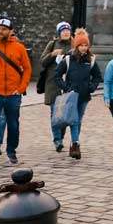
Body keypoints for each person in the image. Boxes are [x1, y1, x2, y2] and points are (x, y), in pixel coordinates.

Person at [0, 17, 32, 171]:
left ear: (11, 31)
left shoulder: (19, 48)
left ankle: (11, 151)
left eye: (4, 28)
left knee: (13, 124)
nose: (0, 31)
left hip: (13, 93)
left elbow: (27, 69)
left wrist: (21, 88)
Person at [54, 29, 102, 160]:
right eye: (81, 45)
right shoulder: (68, 59)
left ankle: (73, 144)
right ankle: (76, 144)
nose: (84, 48)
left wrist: (91, 88)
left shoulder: (91, 60)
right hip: (71, 96)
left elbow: (97, 76)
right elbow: (57, 75)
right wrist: (67, 88)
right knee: (74, 120)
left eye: (86, 45)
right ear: (76, 46)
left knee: (78, 121)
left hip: (84, 96)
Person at [41, 22, 74, 151]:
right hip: (53, 84)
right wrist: (52, 54)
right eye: (63, 30)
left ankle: (61, 135)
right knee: (55, 113)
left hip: (69, 84)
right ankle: (57, 140)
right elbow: (43, 62)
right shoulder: (52, 44)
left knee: (65, 116)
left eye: (67, 30)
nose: (66, 32)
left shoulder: (75, 44)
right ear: (59, 32)